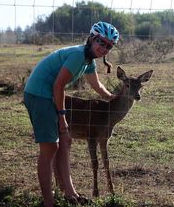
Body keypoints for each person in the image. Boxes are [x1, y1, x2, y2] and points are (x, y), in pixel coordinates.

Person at [23, 21, 119, 207]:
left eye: (109, 46)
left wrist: (112, 98)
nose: (104, 48)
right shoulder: (77, 56)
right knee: (50, 148)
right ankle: (49, 202)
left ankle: (70, 193)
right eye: (101, 42)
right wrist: (62, 117)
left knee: (65, 141)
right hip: (39, 95)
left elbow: (96, 85)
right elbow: (58, 86)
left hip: (48, 95)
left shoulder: (88, 60)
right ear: (92, 38)